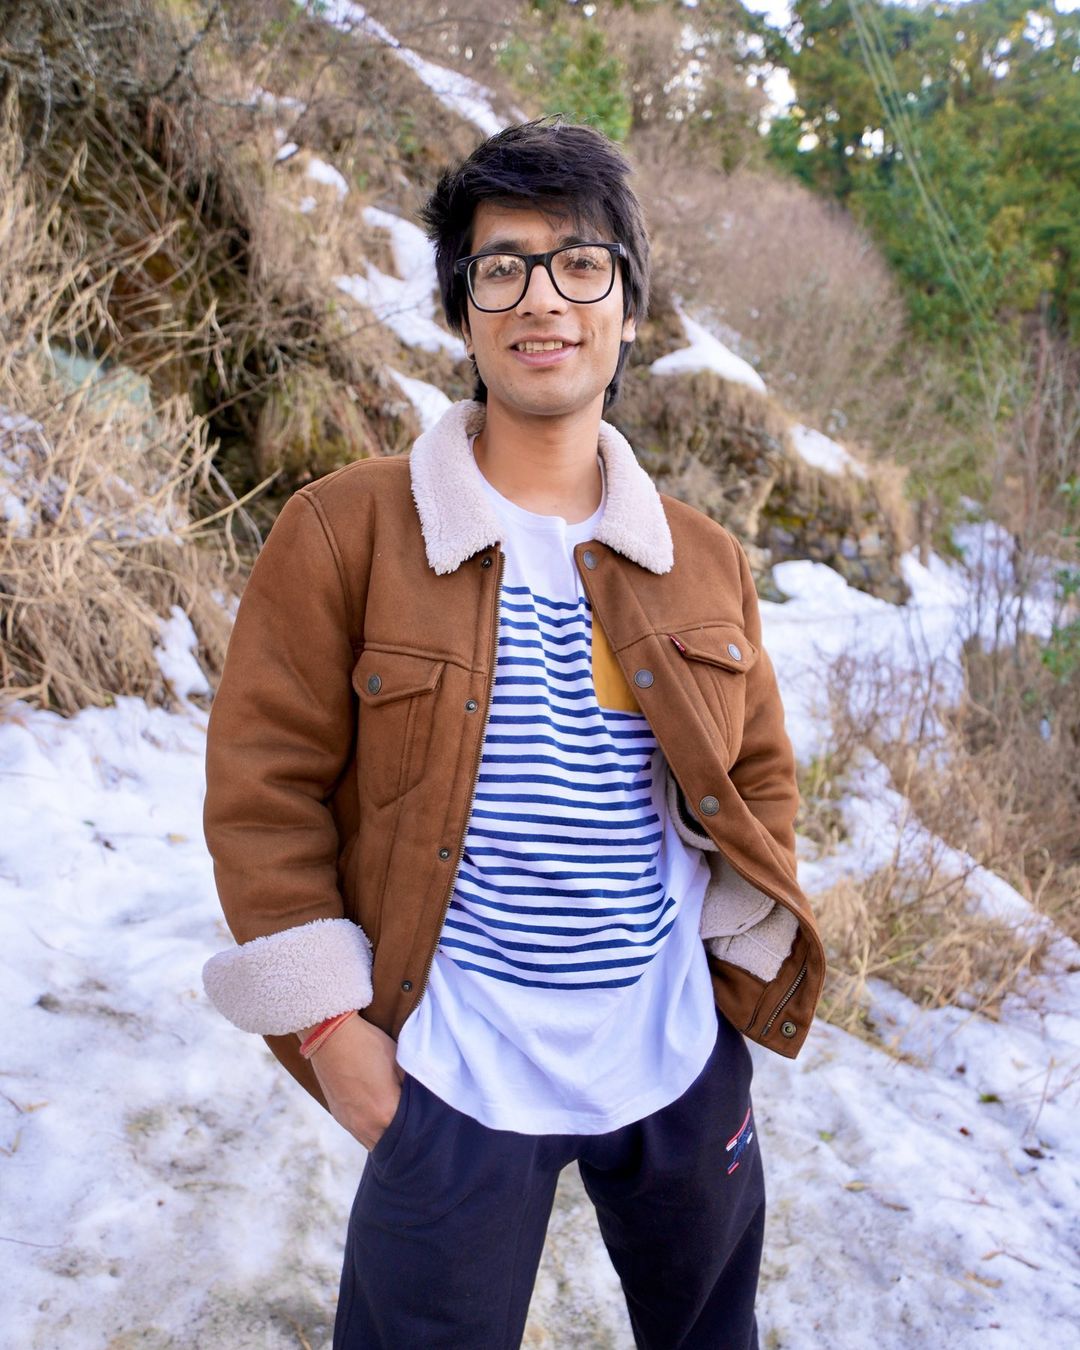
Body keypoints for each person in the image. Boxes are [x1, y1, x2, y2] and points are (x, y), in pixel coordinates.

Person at [201, 115, 825, 1350]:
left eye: (580, 264)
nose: (544, 299)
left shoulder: (702, 559)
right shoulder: (347, 532)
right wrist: (333, 1035)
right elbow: (261, 796)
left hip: (672, 1058)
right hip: (451, 1066)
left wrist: (731, 977)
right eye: (503, 267)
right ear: (462, 309)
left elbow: (755, 776)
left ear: (629, 307)